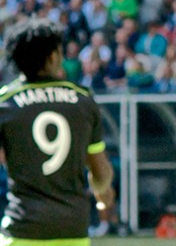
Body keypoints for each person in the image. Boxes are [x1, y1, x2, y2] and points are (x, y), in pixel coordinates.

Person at [0, 18, 115, 246]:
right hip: (73, 228)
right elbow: (100, 173)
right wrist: (104, 194)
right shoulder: (82, 99)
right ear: (53, 57)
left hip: (23, 229)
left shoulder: (5, 103)